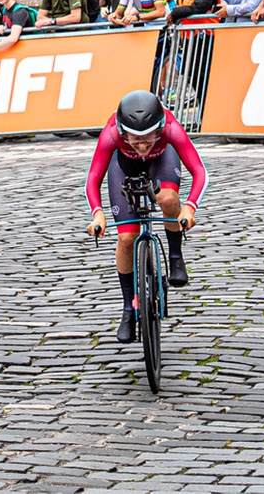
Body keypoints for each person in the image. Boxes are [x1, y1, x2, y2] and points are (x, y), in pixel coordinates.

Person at [85, 90, 208, 343]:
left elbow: (199, 171)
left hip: (161, 162)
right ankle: (128, 309)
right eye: (134, 138)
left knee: (167, 199)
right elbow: (93, 179)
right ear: (121, 131)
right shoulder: (111, 134)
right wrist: (98, 215)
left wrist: (190, 207)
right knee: (127, 238)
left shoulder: (171, 128)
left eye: (149, 136)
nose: (142, 145)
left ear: (161, 127)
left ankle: (175, 256)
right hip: (124, 168)